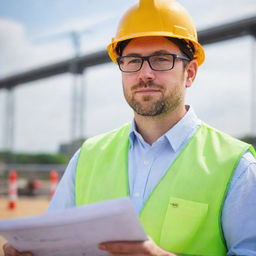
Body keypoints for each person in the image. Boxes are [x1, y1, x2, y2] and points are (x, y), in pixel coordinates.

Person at [3, 0, 256, 255]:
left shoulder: (236, 166)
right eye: (133, 60)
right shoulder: (87, 157)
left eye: (161, 59)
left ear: (189, 73)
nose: (145, 74)